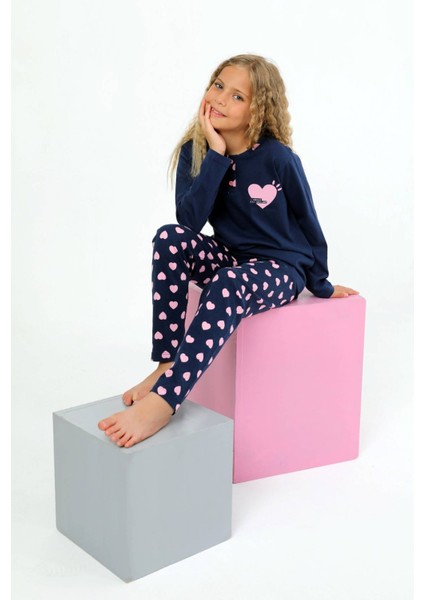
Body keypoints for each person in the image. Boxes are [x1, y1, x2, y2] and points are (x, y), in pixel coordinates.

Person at [98, 53, 359, 448]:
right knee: (169, 239)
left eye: (237, 96)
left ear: (258, 109)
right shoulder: (196, 151)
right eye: (218, 86)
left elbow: (310, 223)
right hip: (229, 254)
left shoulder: (279, 159)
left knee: (228, 283)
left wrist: (320, 284)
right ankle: (167, 364)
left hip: (279, 267)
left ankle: (165, 401)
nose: (220, 98)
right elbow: (189, 222)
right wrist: (216, 156)